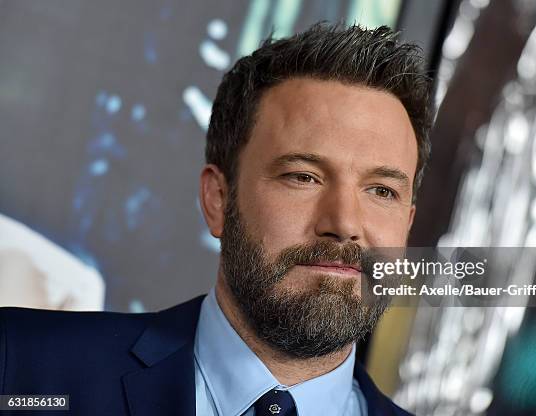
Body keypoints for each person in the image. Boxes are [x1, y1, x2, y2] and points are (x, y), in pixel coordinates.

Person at [0, 22, 433, 416]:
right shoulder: (22, 367)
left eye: (382, 191)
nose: (344, 222)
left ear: (407, 223)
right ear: (217, 199)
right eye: (303, 176)